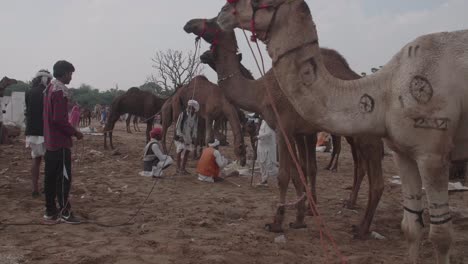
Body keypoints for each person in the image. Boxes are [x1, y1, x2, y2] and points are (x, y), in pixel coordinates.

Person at [43, 60, 83, 224]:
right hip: (60, 143)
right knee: (63, 178)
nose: (71, 78)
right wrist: (74, 132)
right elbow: (59, 119)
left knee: (50, 178)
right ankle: (65, 211)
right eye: (70, 74)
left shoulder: (49, 89)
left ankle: (50, 210)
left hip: (50, 142)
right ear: (64, 73)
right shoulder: (59, 91)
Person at [25, 69, 52, 197]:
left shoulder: (29, 92)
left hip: (31, 131)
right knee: (49, 161)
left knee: (36, 160)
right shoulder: (46, 92)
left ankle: (34, 189)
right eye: (49, 80)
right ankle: (47, 188)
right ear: (45, 79)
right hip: (44, 131)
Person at [175, 99, 199, 174]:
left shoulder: (195, 117)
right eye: (189, 107)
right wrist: (180, 136)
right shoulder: (183, 114)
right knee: (180, 151)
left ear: (194, 109)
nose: (189, 108)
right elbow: (178, 125)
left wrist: (194, 136)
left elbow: (195, 127)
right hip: (181, 136)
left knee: (187, 151)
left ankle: (183, 168)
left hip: (189, 137)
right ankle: (178, 168)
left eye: (191, 107)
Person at [256, 120, 278, 186]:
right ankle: (264, 181)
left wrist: (258, 137)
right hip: (261, 147)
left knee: (270, 166)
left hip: (268, 147)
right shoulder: (262, 121)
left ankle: (282, 177)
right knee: (262, 164)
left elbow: (268, 133)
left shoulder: (269, 122)